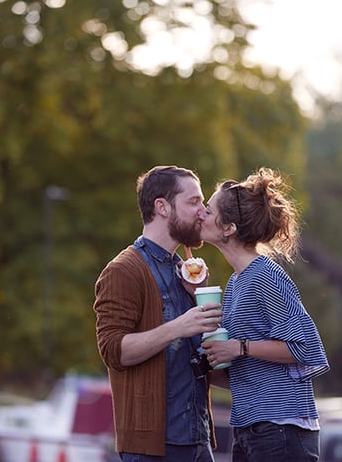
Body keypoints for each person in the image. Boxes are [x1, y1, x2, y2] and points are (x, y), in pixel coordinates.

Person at [199, 167, 330, 462]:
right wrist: (205, 364)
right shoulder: (236, 282)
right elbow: (248, 372)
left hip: (281, 428)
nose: (200, 216)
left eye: (207, 211)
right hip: (250, 427)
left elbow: (305, 347)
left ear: (228, 228)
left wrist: (239, 347)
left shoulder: (266, 276)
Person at [93, 165, 223, 462]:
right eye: (193, 202)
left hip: (198, 441)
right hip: (152, 449)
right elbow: (114, 351)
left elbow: (199, 357)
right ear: (162, 207)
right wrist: (178, 326)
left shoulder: (185, 271)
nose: (202, 212)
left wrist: (199, 297)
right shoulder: (123, 270)